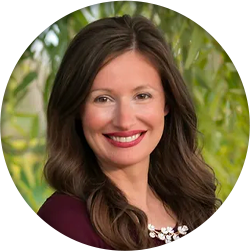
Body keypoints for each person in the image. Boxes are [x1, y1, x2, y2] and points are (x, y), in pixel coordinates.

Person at [31, 15, 242, 251]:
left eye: (142, 96)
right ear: (77, 109)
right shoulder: (65, 223)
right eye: (103, 98)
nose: (124, 120)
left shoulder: (190, 202)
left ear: (167, 102)